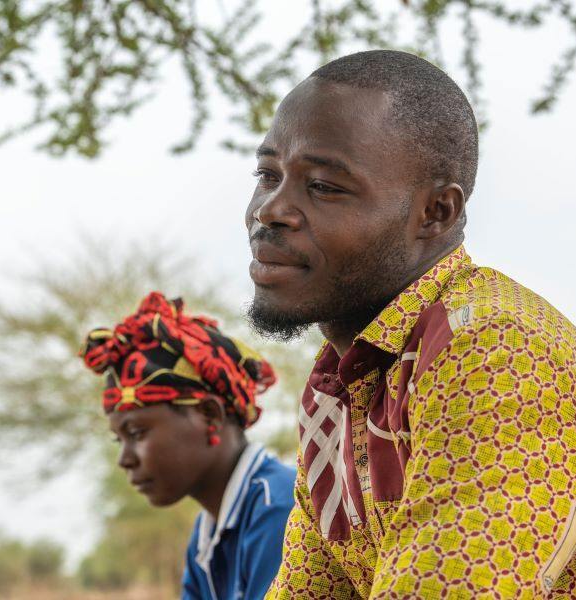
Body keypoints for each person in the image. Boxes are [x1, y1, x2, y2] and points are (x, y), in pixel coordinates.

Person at [245, 49, 576, 598]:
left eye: (324, 186)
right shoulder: (340, 386)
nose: (270, 210)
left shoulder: (495, 349)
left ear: (436, 213)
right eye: (268, 174)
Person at [80, 291, 296, 600]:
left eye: (138, 433)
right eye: (119, 440)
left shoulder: (277, 509)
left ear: (209, 415)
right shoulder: (208, 533)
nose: (124, 459)